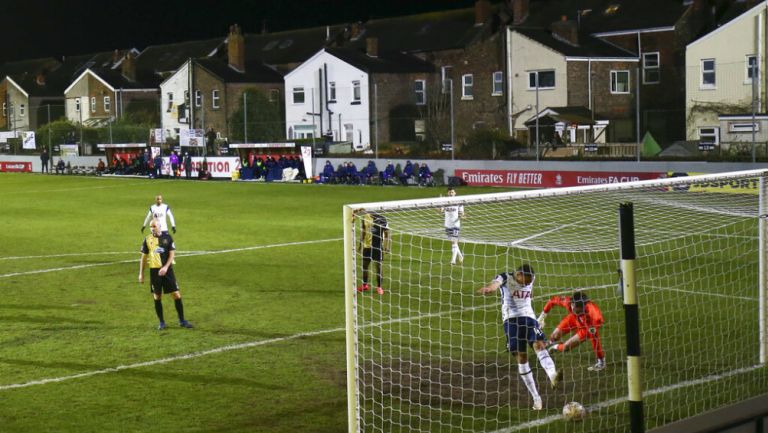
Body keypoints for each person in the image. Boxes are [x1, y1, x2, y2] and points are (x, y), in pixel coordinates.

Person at [477, 264, 561, 410]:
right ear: (519, 274)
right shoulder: (505, 277)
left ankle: (553, 375)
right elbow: (494, 285)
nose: (528, 284)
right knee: (522, 357)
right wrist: (489, 289)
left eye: (529, 281)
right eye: (526, 281)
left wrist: (538, 317)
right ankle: (536, 398)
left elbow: (530, 292)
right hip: (511, 321)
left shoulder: (531, 278)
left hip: (529, 318)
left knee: (539, 345)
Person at [138, 219, 193, 330]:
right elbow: (143, 258)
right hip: (154, 272)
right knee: (157, 296)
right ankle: (162, 322)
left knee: (176, 294)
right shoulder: (147, 239)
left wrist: (166, 267)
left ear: (159, 226)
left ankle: (182, 320)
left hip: (167, 271)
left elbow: (172, 255)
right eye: (151, 226)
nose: (152, 228)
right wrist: (141, 274)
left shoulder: (167, 238)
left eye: (154, 226)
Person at [537, 291, 606, 371]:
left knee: (566, 347)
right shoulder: (568, 302)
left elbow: (597, 331)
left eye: (576, 307)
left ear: (583, 307)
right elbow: (552, 301)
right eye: (573, 305)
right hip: (574, 318)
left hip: (586, 328)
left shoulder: (591, 310)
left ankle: (554, 347)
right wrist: (541, 317)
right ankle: (550, 343)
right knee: (554, 335)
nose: (573, 308)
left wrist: (600, 357)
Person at [357, 211, 390, 295]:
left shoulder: (382, 219)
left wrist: (387, 246)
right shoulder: (365, 217)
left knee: (378, 267)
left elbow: (387, 234)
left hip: (377, 247)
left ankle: (379, 287)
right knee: (364, 266)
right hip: (367, 247)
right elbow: (363, 231)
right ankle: (365, 285)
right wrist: (360, 244)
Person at [441, 187, 464, 265]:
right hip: (447, 224)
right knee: (453, 242)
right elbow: (441, 211)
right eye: (449, 192)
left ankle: (453, 260)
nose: (451, 194)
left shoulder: (459, 202)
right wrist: (439, 203)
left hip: (455, 224)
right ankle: (460, 256)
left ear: (455, 193)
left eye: (452, 192)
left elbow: (461, 213)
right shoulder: (445, 202)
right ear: (447, 193)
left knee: (454, 241)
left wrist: (462, 216)